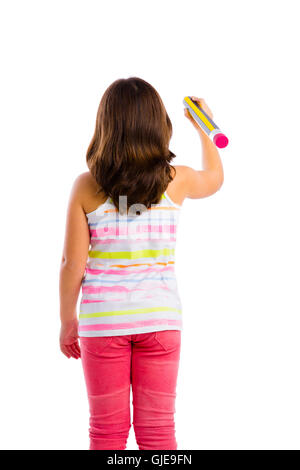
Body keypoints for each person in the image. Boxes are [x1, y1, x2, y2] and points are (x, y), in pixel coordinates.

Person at [59, 77, 224, 450]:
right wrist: (203, 126)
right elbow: (214, 179)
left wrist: (68, 320)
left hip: (103, 323)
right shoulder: (174, 180)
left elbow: (72, 263)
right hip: (161, 320)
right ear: (158, 125)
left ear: (106, 128)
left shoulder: (86, 186)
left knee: (106, 433)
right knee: (159, 433)